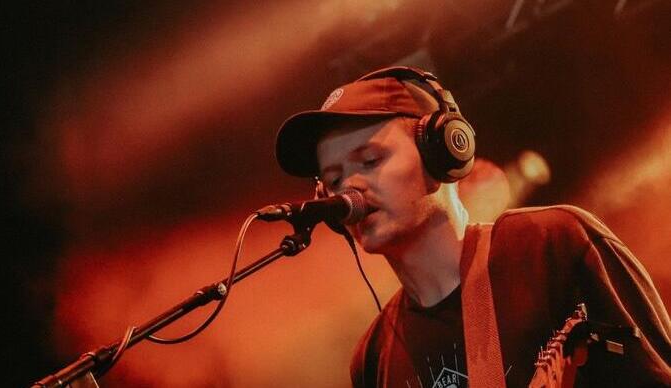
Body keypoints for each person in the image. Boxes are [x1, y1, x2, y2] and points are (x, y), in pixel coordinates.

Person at [274, 66, 671, 387]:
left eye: (371, 160)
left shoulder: (550, 245)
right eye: (335, 179)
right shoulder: (373, 358)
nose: (350, 189)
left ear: (442, 150)